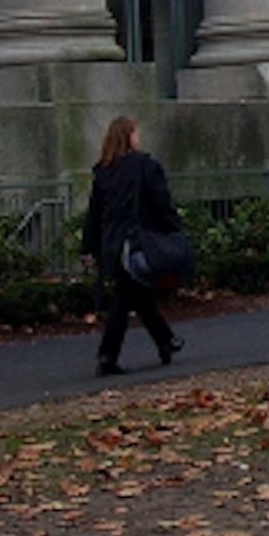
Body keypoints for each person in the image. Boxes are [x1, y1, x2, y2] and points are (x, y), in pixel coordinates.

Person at [82, 115, 184, 376]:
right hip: (137, 241)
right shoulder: (145, 166)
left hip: (112, 244)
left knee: (134, 294)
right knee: (124, 299)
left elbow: (94, 213)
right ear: (129, 136)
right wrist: (174, 230)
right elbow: (161, 202)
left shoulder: (103, 171)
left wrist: (89, 247)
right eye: (136, 133)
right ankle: (108, 356)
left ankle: (165, 340)